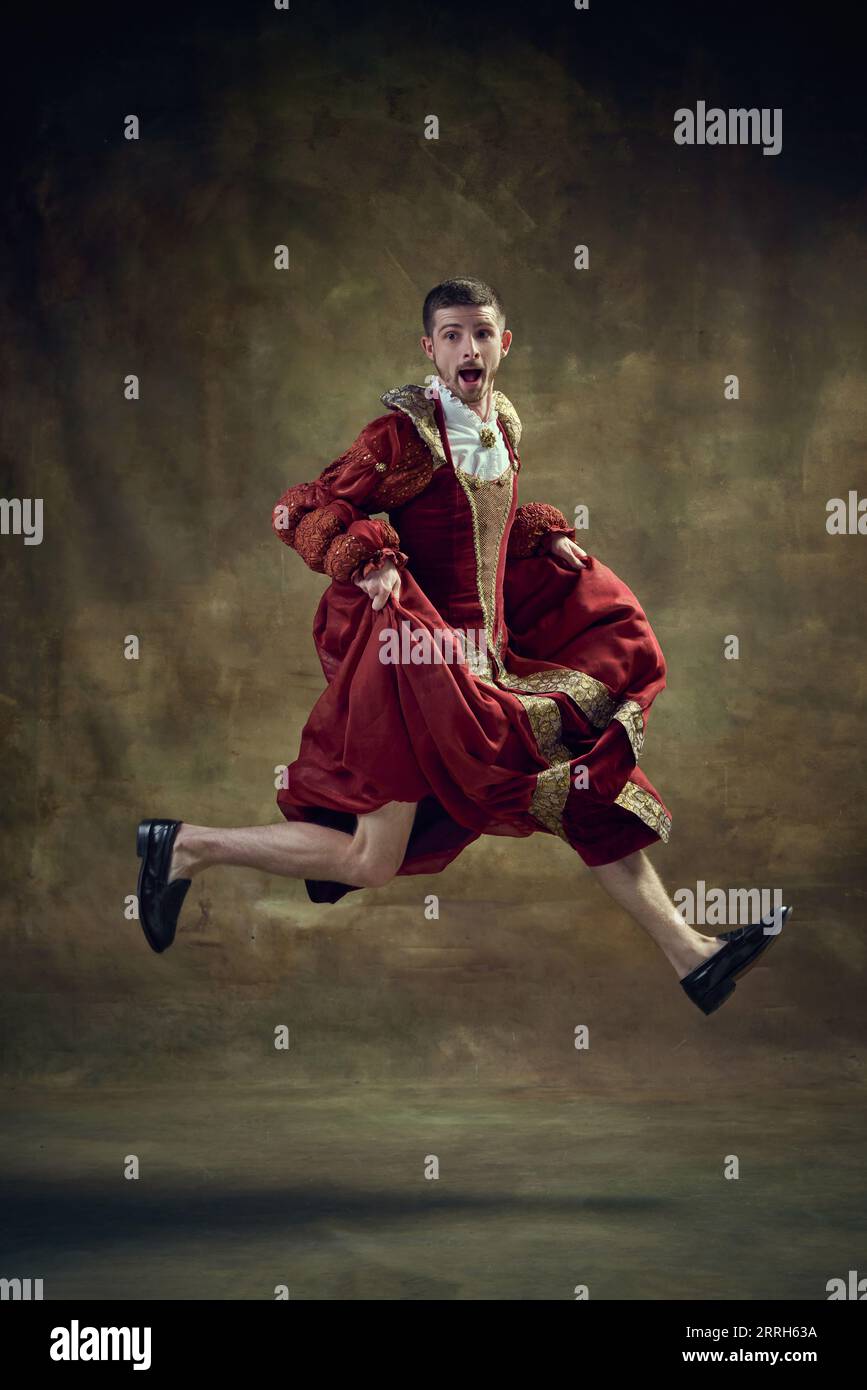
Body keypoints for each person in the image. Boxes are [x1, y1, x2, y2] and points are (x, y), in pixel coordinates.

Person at [135, 276, 789, 1014]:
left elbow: (481, 530)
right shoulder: (400, 437)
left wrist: (545, 539)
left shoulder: (502, 425)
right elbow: (301, 510)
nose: (466, 348)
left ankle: (692, 956)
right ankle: (185, 846)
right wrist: (366, 559)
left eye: (479, 333)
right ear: (429, 347)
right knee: (371, 857)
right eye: (450, 335)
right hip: (413, 677)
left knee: (570, 795)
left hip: (485, 667)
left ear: (502, 344)